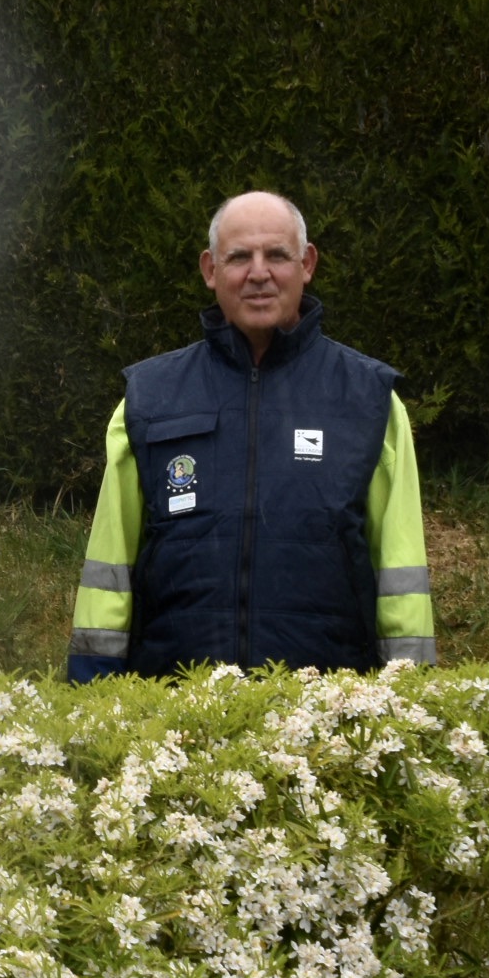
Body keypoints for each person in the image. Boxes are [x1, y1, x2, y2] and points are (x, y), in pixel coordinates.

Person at [69, 193, 434, 682]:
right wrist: (90, 688)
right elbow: (108, 572)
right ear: (210, 270)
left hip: (327, 708)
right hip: (174, 705)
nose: (258, 273)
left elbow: (401, 575)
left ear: (307, 264)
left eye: (277, 255)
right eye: (239, 256)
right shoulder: (148, 400)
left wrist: (411, 691)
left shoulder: (370, 401)